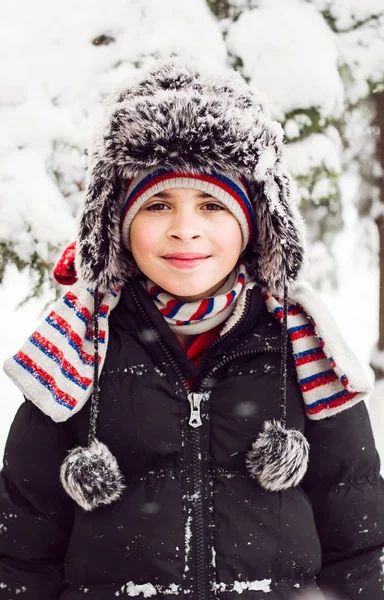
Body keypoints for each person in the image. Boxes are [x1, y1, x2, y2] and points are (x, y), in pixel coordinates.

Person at [1, 57, 383, 600]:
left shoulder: (305, 351)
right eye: (158, 204)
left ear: (255, 223)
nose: (185, 230)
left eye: (211, 204)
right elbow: (20, 553)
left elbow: (362, 546)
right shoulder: (75, 352)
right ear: (118, 226)